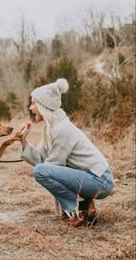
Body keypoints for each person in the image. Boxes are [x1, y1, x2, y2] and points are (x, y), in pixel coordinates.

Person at [18, 78, 114, 227]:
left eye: (33, 103)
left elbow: (49, 167)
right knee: (41, 170)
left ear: (44, 106)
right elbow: (40, 159)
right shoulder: (51, 128)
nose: (31, 108)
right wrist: (23, 140)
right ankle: (84, 206)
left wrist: (47, 176)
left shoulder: (62, 129)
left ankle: (79, 208)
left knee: (40, 171)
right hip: (91, 178)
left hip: (100, 181)